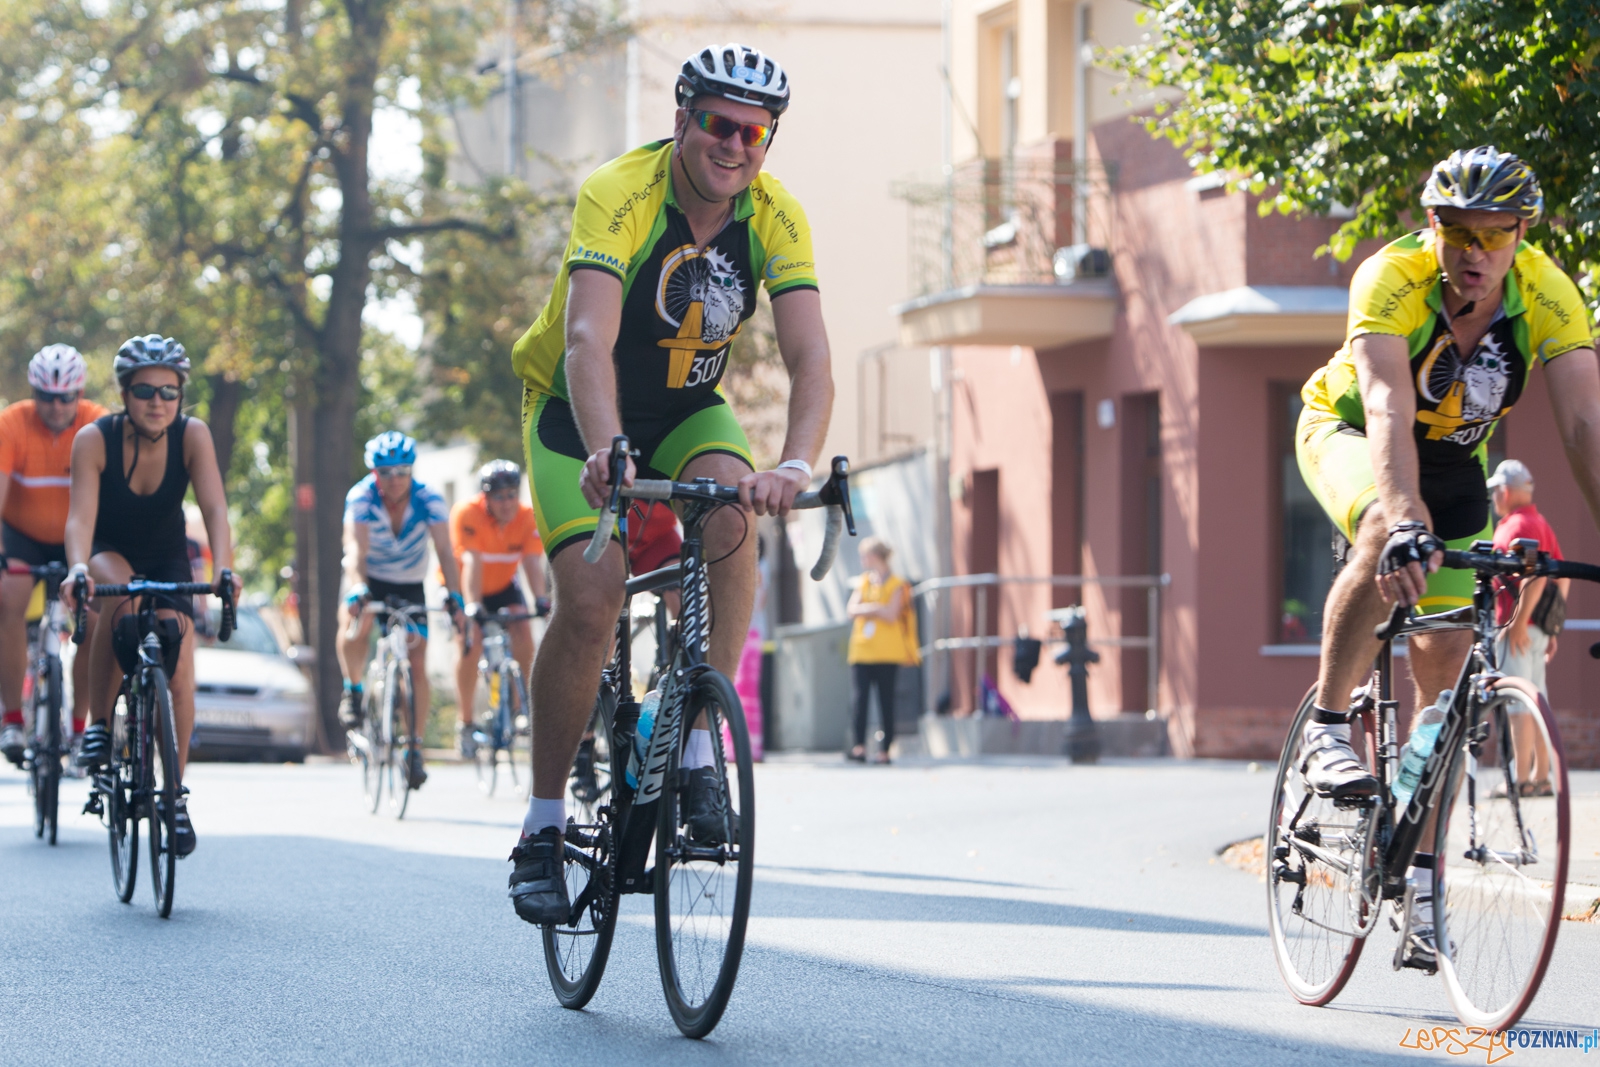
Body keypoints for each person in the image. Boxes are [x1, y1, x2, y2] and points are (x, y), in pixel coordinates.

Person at [504, 42, 832, 925]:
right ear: (683, 120)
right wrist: (608, 447)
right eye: (720, 125)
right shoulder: (621, 192)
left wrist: (794, 464)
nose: (735, 145)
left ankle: (691, 746)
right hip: (581, 410)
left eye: (754, 134)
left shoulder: (775, 215)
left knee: (731, 512)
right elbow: (584, 342)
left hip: (687, 409)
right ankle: (541, 826)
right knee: (591, 595)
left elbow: (810, 358)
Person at [1294, 146, 1600, 968]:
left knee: (1447, 693)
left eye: (1494, 234)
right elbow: (1390, 401)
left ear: (1520, 234)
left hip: (1458, 462)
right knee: (1382, 533)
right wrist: (1400, 519)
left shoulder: (1547, 293)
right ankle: (1328, 724)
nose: (1474, 252)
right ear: (1433, 227)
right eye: (1457, 232)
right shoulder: (1388, 278)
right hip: (1353, 432)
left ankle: (1420, 886)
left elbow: (1583, 427)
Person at [61, 336, 239, 858]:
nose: (158, 401)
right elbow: (79, 518)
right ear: (124, 393)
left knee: (179, 660)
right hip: (108, 550)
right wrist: (77, 566)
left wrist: (225, 570)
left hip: (167, 556)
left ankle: (174, 793)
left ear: (181, 395)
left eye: (169, 391)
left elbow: (215, 511)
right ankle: (97, 727)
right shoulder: (94, 438)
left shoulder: (193, 435)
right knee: (121, 606)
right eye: (144, 391)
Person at [336, 431, 464, 790]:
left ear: (412, 471)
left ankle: (414, 748)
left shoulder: (429, 499)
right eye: (386, 471)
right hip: (369, 577)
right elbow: (355, 550)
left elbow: (444, 550)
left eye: (402, 471)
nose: (395, 479)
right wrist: (359, 587)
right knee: (355, 625)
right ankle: (353, 689)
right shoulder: (361, 497)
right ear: (375, 473)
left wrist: (454, 595)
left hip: (409, 584)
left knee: (418, 659)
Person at [0, 346, 107, 767]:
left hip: (75, 538)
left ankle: (81, 729)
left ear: (79, 393)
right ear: (34, 392)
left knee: (96, 615)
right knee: (8, 596)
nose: (57, 406)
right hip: (22, 533)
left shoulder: (97, 422)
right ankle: (11, 718)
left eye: (67, 397)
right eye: (47, 396)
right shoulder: (11, 423)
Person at [451, 459, 546, 758]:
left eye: (512, 494)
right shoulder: (468, 513)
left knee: (522, 626)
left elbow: (532, 563)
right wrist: (472, 605)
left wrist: (542, 599)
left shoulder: (527, 517)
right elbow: (471, 562)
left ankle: (522, 706)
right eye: (499, 496)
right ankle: (465, 721)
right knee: (470, 644)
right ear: (486, 497)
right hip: (466, 585)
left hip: (504, 584)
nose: (507, 503)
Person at [1488, 459, 1567, 692]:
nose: (1493, 496)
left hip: (1517, 628)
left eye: (1495, 490)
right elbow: (1562, 575)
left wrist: (1519, 622)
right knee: (1533, 705)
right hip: (1536, 628)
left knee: (1516, 707)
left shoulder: (1517, 526)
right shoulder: (1539, 522)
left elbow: (1535, 574)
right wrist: (1550, 627)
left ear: (1505, 491)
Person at [846, 537, 919, 764]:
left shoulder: (897, 583)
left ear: (875, 556)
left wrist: (869, 609)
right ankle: (858, 747)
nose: (862, 560)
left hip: (887, 653)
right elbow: (851, 610)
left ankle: (885, 750)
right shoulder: (864, 582)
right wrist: (877, 607)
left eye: (864, 555)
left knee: (886, 701)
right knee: (860, 701)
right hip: (862, 651)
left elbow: (891, 614)